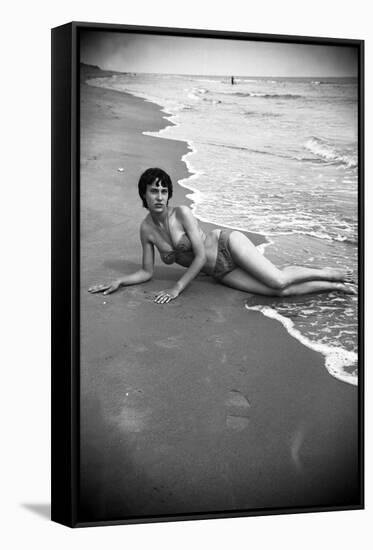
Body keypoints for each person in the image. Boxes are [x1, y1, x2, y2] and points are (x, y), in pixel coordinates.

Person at [88, 167, 356, 304]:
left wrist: (177, 287)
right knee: (278, 294)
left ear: (169, 193)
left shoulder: (181, 213)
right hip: (221, 273)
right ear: (143, 194)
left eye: (163, 191)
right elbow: (146, 272)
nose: (159, 197)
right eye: (153, 191)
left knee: (277, 279)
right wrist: (120, 281)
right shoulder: (146, 229)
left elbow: (201, 253)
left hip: (228, 244)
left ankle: (330, 272)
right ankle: (333, 287)